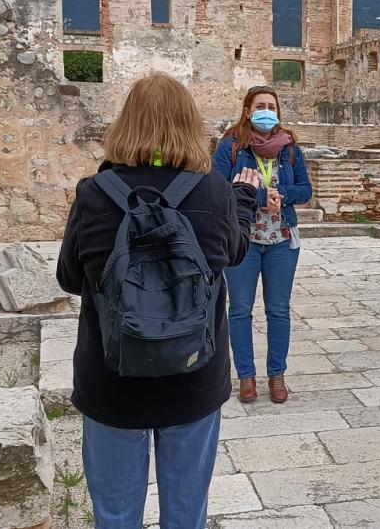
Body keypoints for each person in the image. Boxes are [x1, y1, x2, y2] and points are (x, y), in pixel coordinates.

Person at [56, 72, 260, 529]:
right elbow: (234, 253)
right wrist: (243, 200)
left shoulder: (94, 193)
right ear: (190, 124)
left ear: (125, 123)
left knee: (115, 516)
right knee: (187, 514)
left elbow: (70, 277)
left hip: (111, 379)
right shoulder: (213, 190)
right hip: (193, 374)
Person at [211, 85, 312, 404]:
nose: (267, 110)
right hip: (243, 240)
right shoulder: (231, 147)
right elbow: (217, 188)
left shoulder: (290, 149)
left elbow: (305, 189)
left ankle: (277, 375)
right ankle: (246, 376)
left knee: (279, 310)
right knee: (240, 310)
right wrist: (257, 197)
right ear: (248, 111)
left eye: (272, 106)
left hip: (281, 239)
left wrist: (284, 196)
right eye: (260, 105)